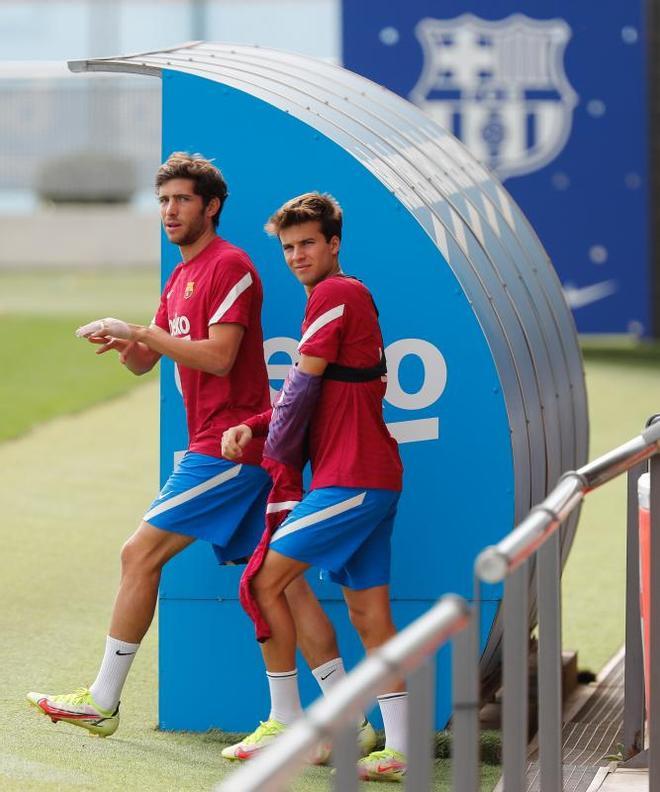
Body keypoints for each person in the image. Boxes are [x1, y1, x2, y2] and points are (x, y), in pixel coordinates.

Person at [26, 154, 375, 758]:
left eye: (182, 200)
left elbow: (215, 356)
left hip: (227, 449)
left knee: (139, 553)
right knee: (285, 586)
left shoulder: (231, 265)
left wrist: (140, 330)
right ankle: (351, 721)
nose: (170, 212)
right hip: (228, 447)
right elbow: (148, 357)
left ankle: (103, 702)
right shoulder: (179, 274)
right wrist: (126, 342)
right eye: (163, 201)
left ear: (210, 206)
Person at [220, 193, 408, 782]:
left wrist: (269, 448)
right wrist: (255, 426)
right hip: (367, 479)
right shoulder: (340, 297)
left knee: (261, 581)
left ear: (334, 244)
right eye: (289, 247)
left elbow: (301, 392)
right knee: (369, 618)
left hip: (352, 480)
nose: (298, 255)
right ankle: (394, 746)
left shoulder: (335, 294)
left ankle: (289, 720)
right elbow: (310, 391)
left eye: (308, 243)